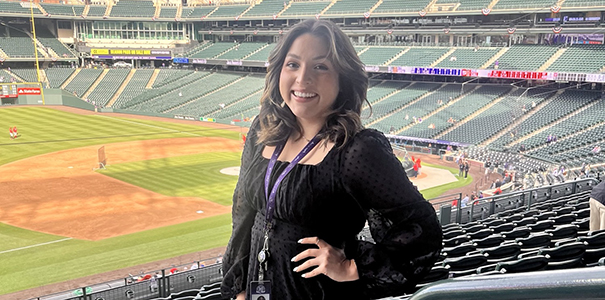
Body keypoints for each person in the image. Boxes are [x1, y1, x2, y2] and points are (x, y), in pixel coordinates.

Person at [220, 19, 442, 300]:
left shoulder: (357, 150)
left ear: (342, 79)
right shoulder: (262, 130)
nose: (302, 79)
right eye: (293, 64)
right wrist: (239, 288)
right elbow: (243, 216)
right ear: (279, 71)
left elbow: (422, 230)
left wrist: (351, 266)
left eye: (320, 67)